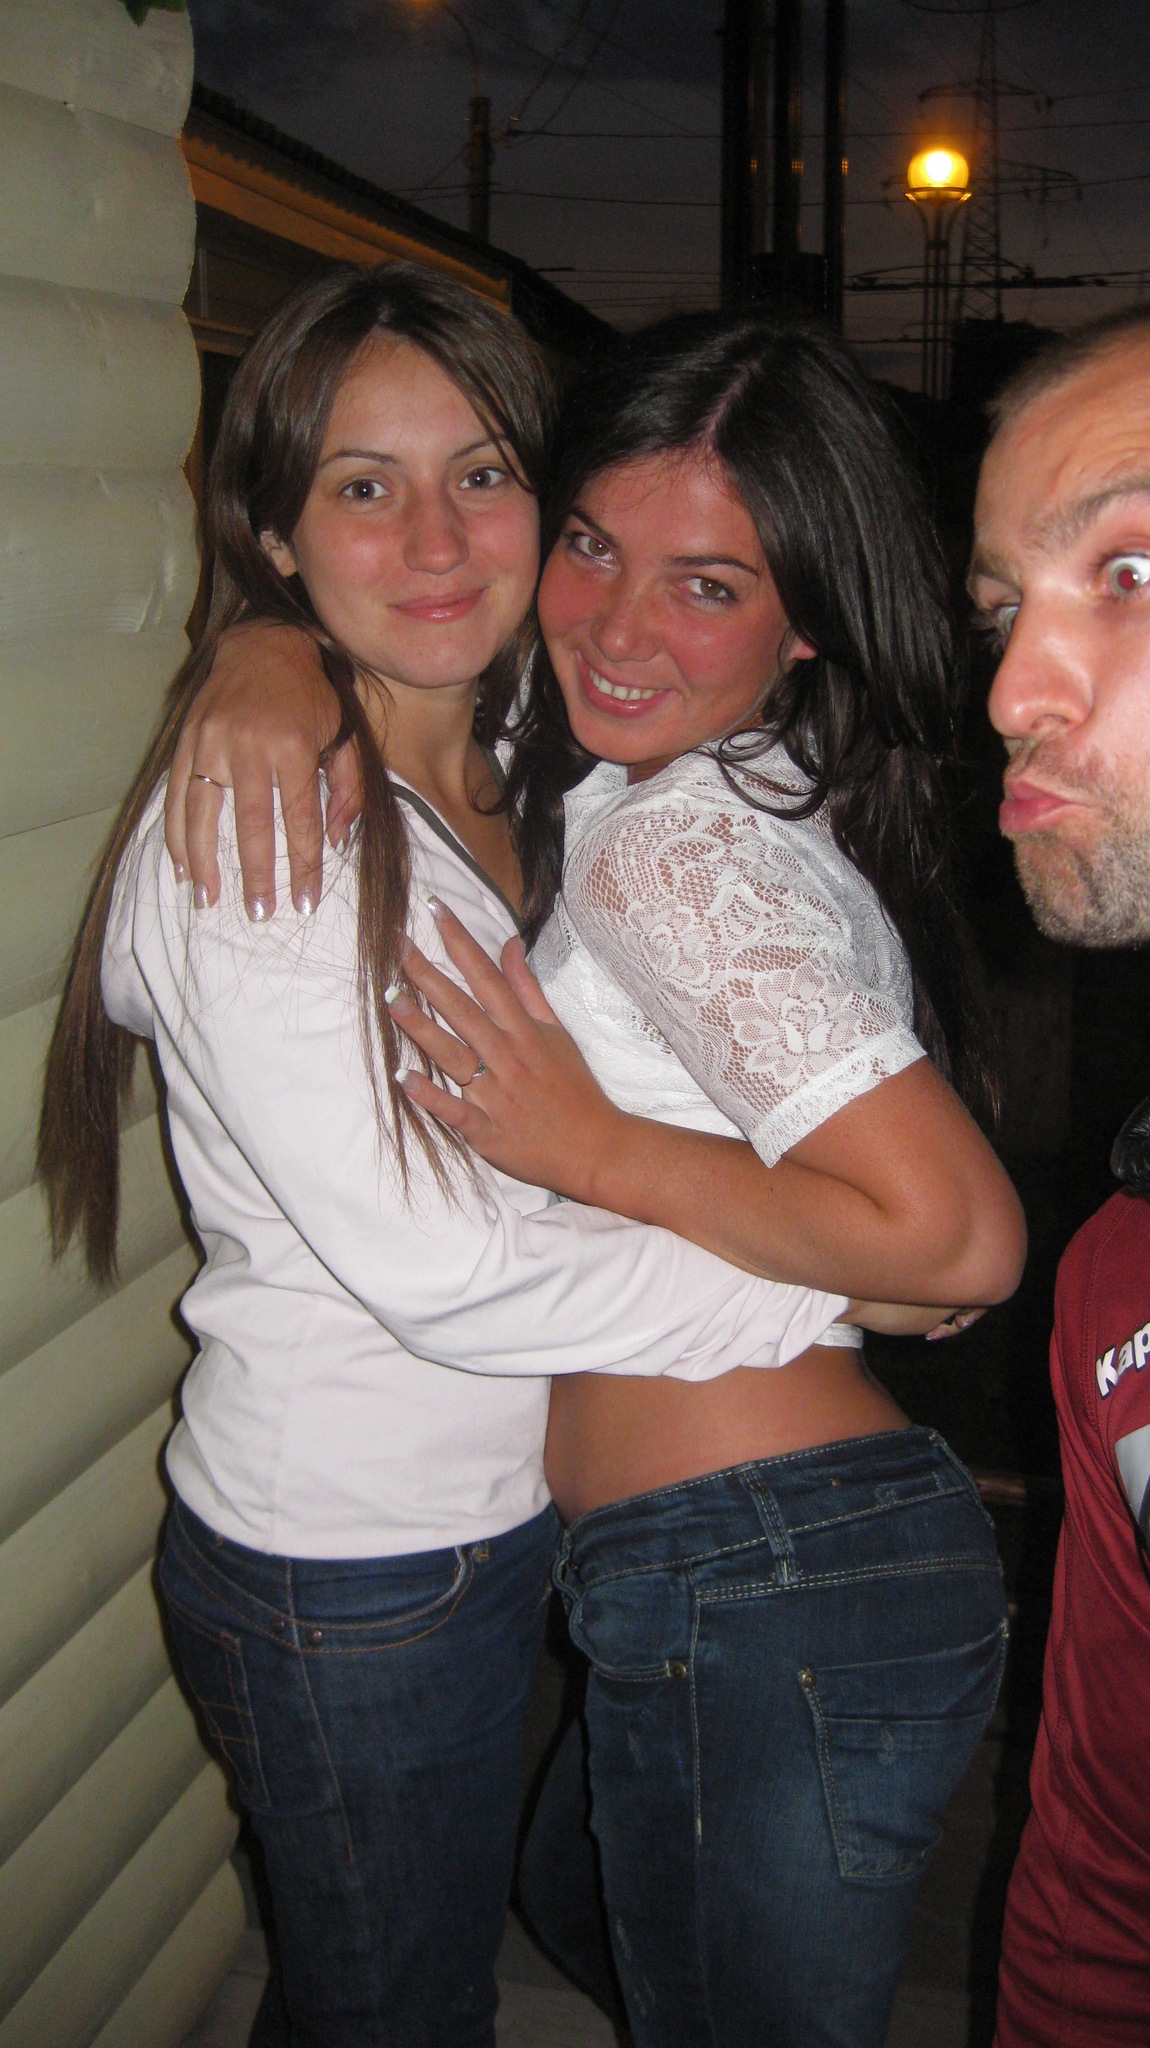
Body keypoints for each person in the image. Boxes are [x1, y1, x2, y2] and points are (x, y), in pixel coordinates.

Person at [169, 307, 1027, 2047]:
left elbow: (959, 1241)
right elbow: (406, 627)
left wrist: (593, 1148)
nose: (620, 629)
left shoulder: (668, 837)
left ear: (804, 619)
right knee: (578, 1908)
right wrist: (260, 647)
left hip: (764, 1566)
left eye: (707, 585)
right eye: (591, 545)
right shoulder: (676, 774)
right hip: (727, 1550)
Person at [37, 266, 857, 2048]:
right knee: (397, 2006)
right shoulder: (264, 845)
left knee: (391, 1968)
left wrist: (267, 650)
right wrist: (819, 1275)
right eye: (362, 485)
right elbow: (447, 1270)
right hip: (354, 1564)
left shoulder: (515, 743)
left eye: (481, 476)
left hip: (491, 1511)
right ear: (273, 530)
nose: (433, 541)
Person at [969, 308, 1150, 2048]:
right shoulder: (1116, 1274)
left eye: (1130, 569)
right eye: (1000, 607)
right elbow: (1103, 1868)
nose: (1013, 691)